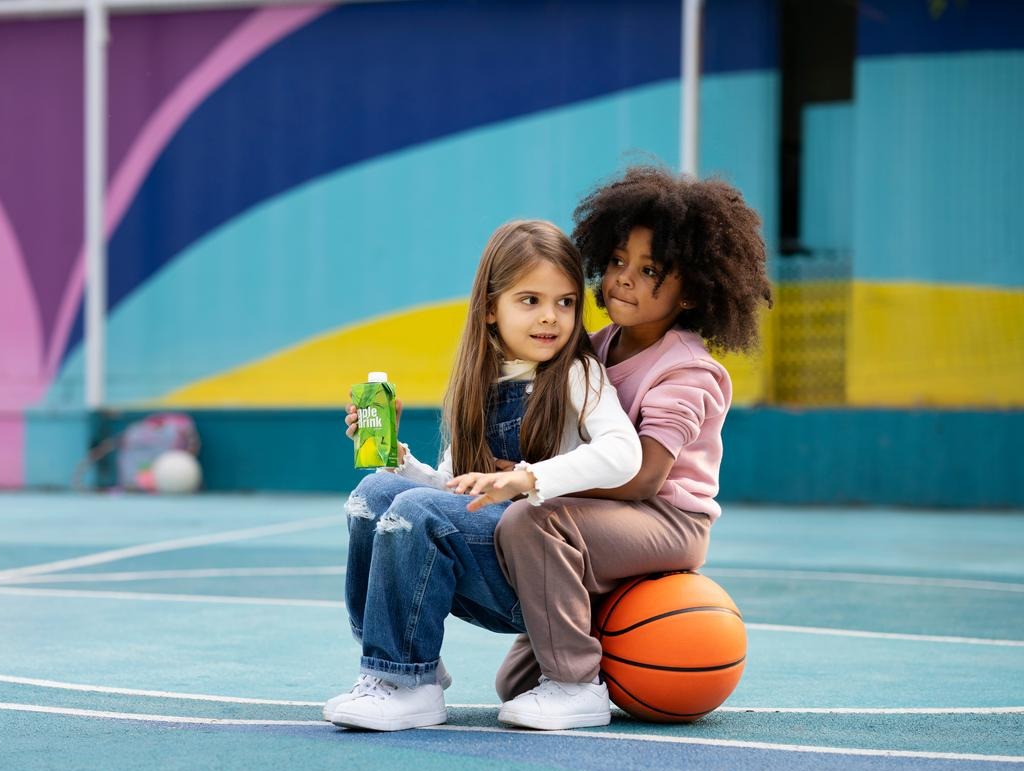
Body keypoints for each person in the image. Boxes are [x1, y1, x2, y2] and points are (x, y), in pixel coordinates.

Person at [327, 219, 643, 732]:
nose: (551, 318)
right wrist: (397, 460)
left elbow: (623, 454)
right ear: (491, 308)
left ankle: (407, 680)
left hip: (545, 578)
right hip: (486, 567)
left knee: (411, 509)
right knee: (375, 493)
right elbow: (450, 492)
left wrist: (526, 478)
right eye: (530, 300)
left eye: (565, 302)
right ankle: (404, 671)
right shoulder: (482, 383)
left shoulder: (577, 374)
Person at [493, 166, 773, 730]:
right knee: (510, 687)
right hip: (606, 514)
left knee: (532, 521)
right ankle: (576, 658)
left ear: (692, 290)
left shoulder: (688, 368)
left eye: (650, 271)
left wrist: (535, 477)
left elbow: (645, 478)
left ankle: (576, 686)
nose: (624, 279)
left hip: (667, 519)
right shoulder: (594, 348)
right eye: (619, 262)